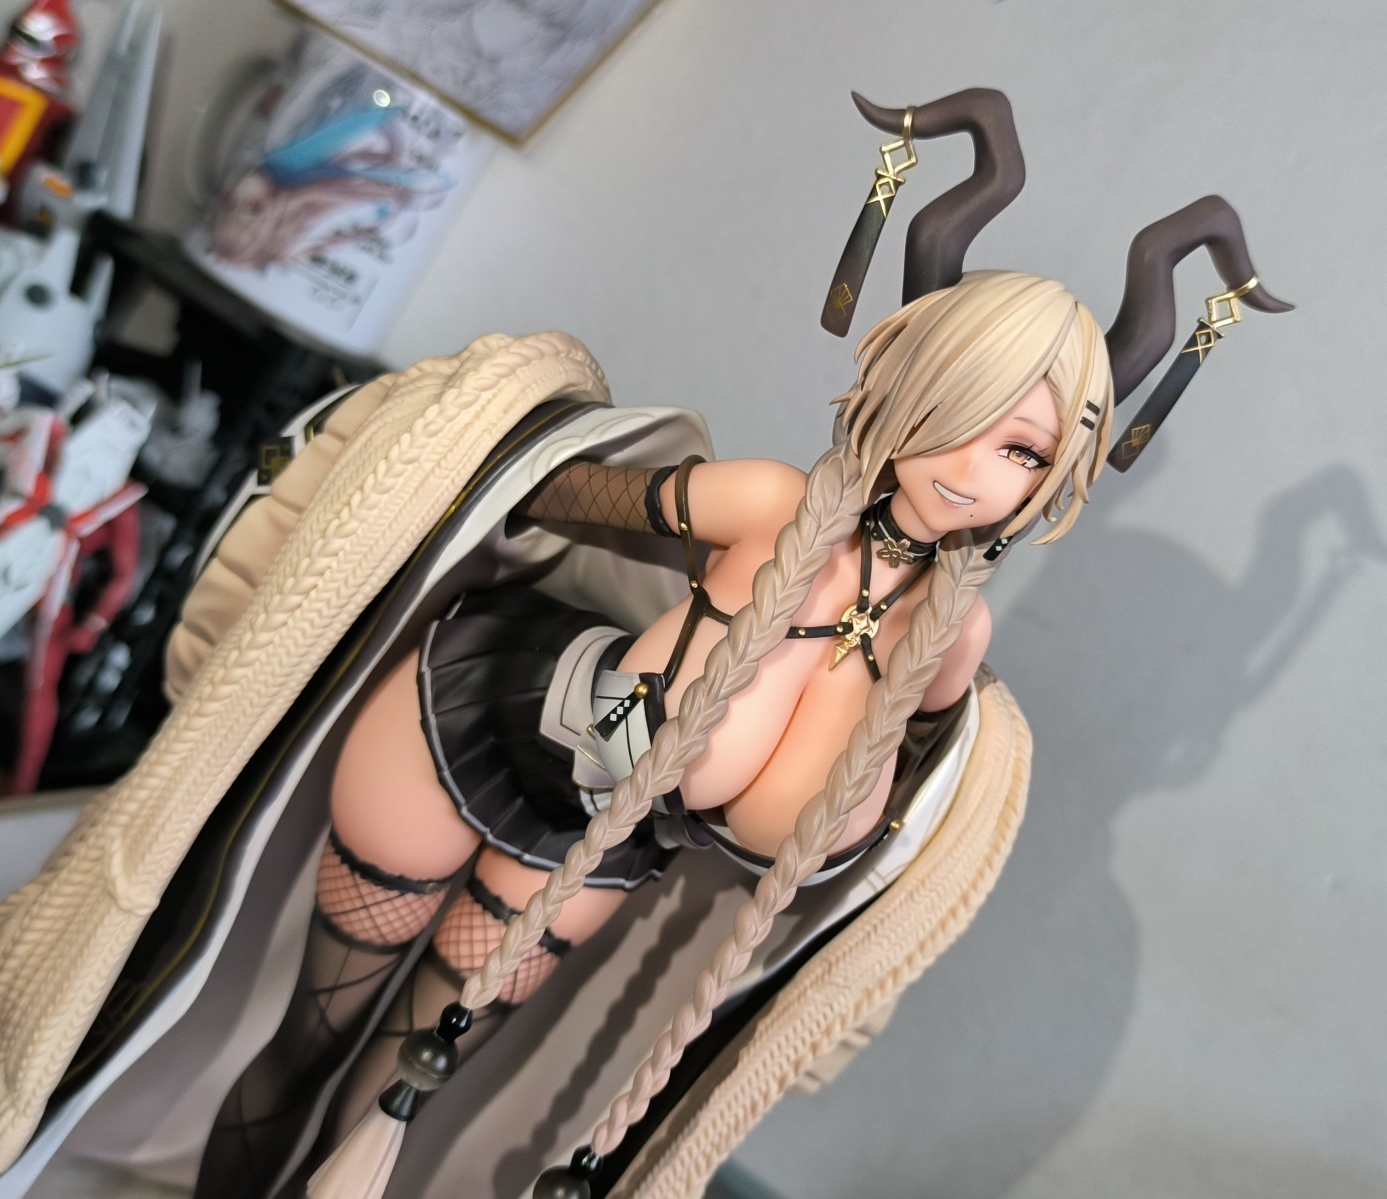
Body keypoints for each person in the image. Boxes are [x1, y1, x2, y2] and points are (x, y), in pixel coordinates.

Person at [199, 88, 1288, 1199]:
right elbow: (550, 492)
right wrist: (471, 464)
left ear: (1057, 473)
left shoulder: (947, 636)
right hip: (469, 720)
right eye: (955, 415)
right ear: (908, 388)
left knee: (398, 1087)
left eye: (1021, 450)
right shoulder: (771, 504)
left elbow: (858, 827)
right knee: (309, 1043)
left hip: (596, 847)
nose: (970, 470)